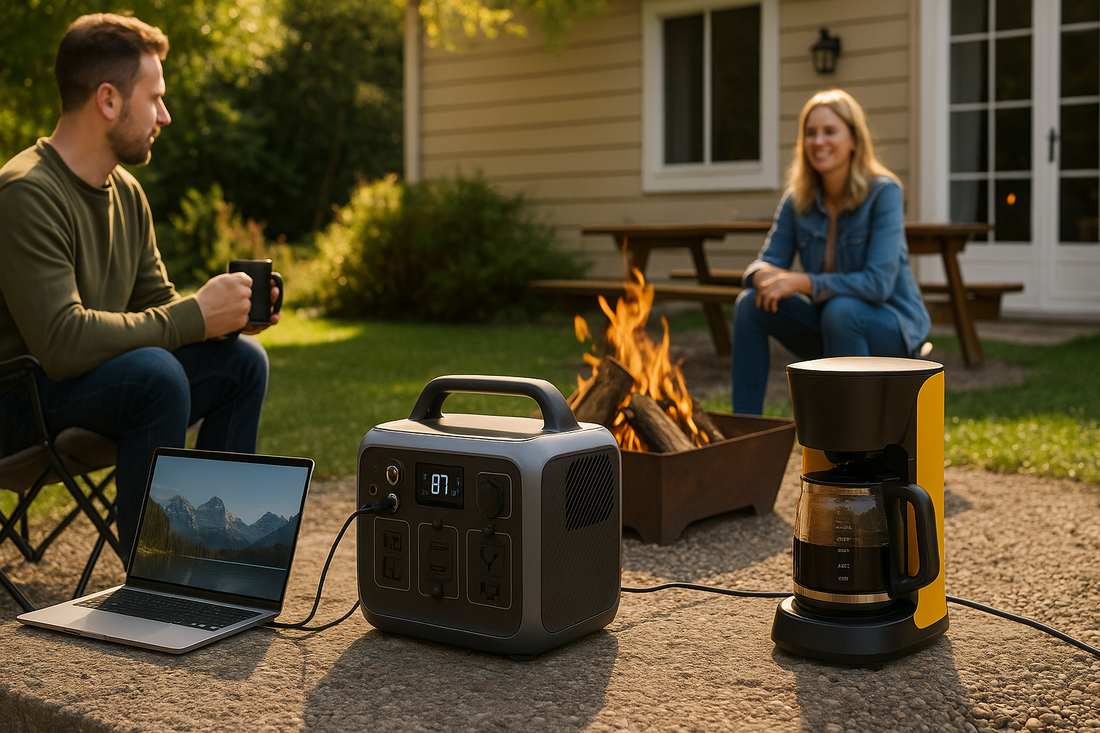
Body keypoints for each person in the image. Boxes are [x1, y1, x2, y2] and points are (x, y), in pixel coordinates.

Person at [0, 13, 280, 562]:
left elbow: (158, 308)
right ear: (108, 100)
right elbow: (59, 342)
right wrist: (194, 316)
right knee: (155, 375)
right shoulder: (26, 192)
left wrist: (227, 316)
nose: (165, 115)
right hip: (17, 402)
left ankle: (214, 563)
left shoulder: (127, 193)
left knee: (243, 361)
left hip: (93, 388)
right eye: (154, 98)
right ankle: (157, 578)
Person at [731, 89, 930, 415]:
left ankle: (854, 438)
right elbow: (763, 265)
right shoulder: (798, 200)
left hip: (891, 330)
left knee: (842, 310)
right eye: (810, 133)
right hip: (832, 328)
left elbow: (878, 284)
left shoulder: (884, 192)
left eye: (829, 131)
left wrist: (801, 282)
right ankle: (743, 429)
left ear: (854, 138)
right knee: (750, 305)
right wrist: (761, 275)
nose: (818, 141)